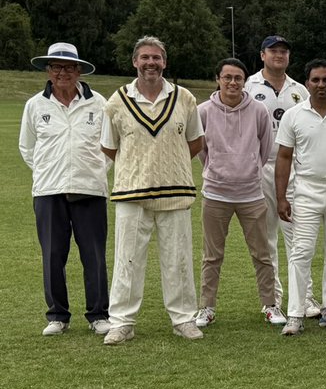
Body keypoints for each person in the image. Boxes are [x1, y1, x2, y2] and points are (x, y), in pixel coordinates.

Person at [100, 36, 204, 344]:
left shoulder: (184, 98)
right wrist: (139, 168)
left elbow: (195, 142)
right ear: (135, 61)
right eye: (145, 57)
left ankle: (183, 319)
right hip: (131, 193)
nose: (151, 63)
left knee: (178, 260)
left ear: (165, 62)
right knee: (127, 260)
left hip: (176, 191)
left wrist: (169, 165)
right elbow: (109, 147)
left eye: (156, 58)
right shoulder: (117, 101)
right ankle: (122, 322)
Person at [19, 42, 110, 336]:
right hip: (48, 190)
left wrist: (94, 170)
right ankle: (57, 315)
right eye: (56, 67)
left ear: (79, 70)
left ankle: (99, 314)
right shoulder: (35, 105)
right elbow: (27, 147)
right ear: (48, 70)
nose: (63, 72)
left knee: (94, 255)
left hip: (90, 188)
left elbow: (110, 146)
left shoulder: (99, 103)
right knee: (52, 255)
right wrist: (48, 170)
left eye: (69, 67)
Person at [274, 60, 326, 335]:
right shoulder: (293, 115)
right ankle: (295, 313)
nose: (321, 85)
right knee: (301, 251)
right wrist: (281, 197)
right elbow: (284, 157)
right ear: (307, 84)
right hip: (306, 189)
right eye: (315, 80)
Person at [194, 57, 276, 328]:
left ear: (245, 81)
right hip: (216, 194)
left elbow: (265, 148)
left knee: (262, 254)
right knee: (212, 256)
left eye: (238, 78)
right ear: (217, 79)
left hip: (251, 194)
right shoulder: (203, 111)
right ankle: (206, 307)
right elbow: (202, 151)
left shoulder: (259, 111)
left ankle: (270, 305)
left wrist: (249, 169)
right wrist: (217, 169)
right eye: (227, 77)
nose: (232, 82)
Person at [246, 34, 313, 322]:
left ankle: (305, 297)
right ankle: (272, 300)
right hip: (260, 167)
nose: (279, 55)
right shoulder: (248, 86)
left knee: (298, 236)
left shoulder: (300, 90)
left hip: (293, 168)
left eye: (284, 51)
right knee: (266, 238)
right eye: (273, 51)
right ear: (262, 55)